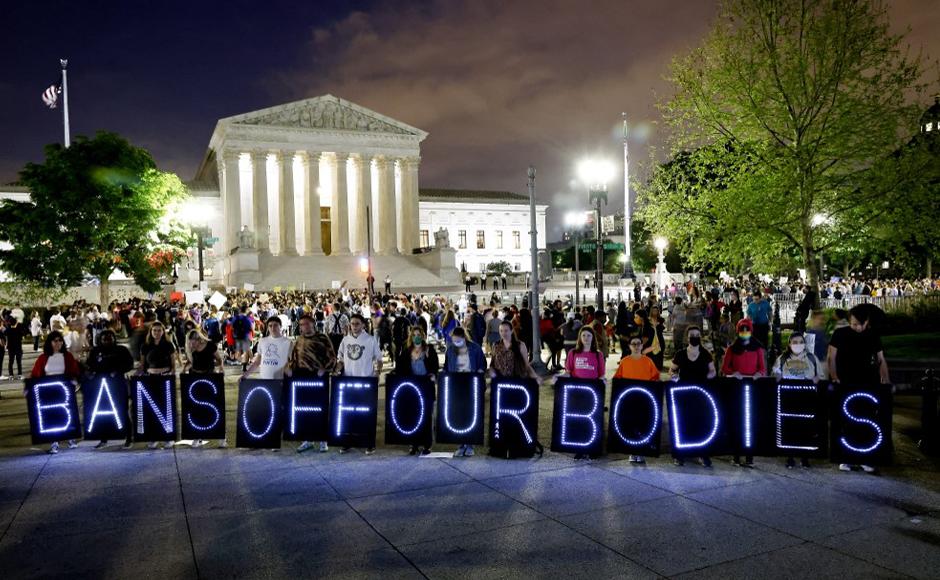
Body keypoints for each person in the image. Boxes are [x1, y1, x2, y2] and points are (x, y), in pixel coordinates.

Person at [828, 305, 890, 474]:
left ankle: (865, 458)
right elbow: (831, 356)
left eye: (859, 324)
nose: (856, 327)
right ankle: (846, 457)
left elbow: (880, 359)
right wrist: (834, 376)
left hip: (868, 382)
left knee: (866, 420)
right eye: (853, 323)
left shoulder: (872, 335)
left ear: (866, 322)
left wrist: (885, 380)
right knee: (845, 421)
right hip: (845, 382)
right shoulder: (840, 334)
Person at [772, 332, 825, 469]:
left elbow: (820, 375)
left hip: (807, 398)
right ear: (789, 344)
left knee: (805, 428)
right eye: (794, 342)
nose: (797, 345)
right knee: (789, 427)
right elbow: (776, 376)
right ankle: (790, 457)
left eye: (800, 342)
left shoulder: (812, 358)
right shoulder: (782, 359)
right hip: (788, 399)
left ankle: (804, 457)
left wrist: (816, 380)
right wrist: (777, 375)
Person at [721, 318, 767, 468]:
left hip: (752, 389)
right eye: (742, 330)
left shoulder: (758, 348)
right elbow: (725, 368)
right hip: (736, 388)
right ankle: (735, 454)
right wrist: (734, 373)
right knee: (736, 420)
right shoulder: (732, 348)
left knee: (751, 421)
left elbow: (762, 368)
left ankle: (749, 456)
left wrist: (759, 374)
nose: (745, 333)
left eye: (747, 330)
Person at [670, 326, 717, 467]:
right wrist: (674, 376)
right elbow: (672, 370)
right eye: (692, 335)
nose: (694, 337)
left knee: (701, 424)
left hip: (701, 395)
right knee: (682, 423)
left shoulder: (705, 354)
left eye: (697, 335)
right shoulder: (680, 354)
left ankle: (702, 454)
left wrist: (706, 379)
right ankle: (680, 454)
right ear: (687, 337)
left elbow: (713, 371)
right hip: (684, 394)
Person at [336, 313, 383, 454]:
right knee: (348, 414)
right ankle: (348, 441)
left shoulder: (370, 340)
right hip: (349, 382)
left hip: (365, 382)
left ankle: (369, 442)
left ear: (363, 325)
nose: (354, 326)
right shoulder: (345, 340)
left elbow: (379, 359)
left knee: (366, 415)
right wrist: (337, 369)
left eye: (357, 324)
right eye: (352, 324)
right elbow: (341, 359)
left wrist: (377, 372)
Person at [291, 314, 338, 454]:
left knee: (321, 409)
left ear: (313, 324)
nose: (303, 327)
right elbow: (294, 358)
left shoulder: (323, 338)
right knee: (305, 409)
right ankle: (308, 439)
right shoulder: (298, 340)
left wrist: (324, 368)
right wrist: (290, 369)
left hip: (319, 377)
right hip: (302, 377)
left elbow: (332, 357)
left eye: (306, 324)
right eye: (301, 324)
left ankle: (323, 439)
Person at [28, 331, 81, 454]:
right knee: (52, 417)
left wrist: (74, 380)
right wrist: (28, 387)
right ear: (50, 342)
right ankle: (54, 442)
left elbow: (74, 371)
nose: (58, 343)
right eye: (55, 340)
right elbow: (36, 374)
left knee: (68, 414)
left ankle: (70, 437)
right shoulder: (43, 357)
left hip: (64, 391)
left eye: (60, 340)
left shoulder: (67, 356)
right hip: (49, 391)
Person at [558, 326, 606, 460]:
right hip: (576, 392)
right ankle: (579, 448)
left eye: (589, 336)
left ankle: (591, 448)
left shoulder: (598, 354)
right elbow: (568, 372)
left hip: (592, 393)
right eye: (583, 335)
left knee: (592, 422)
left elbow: (601, 374)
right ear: (580, 338)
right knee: (577, 420)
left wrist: (603, 382)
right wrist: (559, 378)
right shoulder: (573, 353)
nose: (586, 338)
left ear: (593, 338)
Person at [613, 337, 662, 463]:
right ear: (629, 346)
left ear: (642, 346)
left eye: (638, 344)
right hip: (628, 400)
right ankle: (632, 451)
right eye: (633, 344)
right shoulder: (624, 361)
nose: (636, 346)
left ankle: (640, 451)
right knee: (630, 424)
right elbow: (617, 379)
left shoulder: (648, 361)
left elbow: (655, 378)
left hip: (643, 399)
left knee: (642, 425)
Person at [86, 329, 136, 449]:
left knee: (122, 411)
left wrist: (118, 371)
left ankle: (129, 438)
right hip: (101, 386)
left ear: (114, 338)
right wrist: (90, 373)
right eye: (105, 339)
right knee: (103, 413)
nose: (108, 341)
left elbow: (130, 364)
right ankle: (104, 439)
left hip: (118, 385)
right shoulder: (95, 351)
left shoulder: (121, 350)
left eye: (110, 338)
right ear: (100, 340)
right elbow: (90, 365)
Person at [394, 325, 440, 455]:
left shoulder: (429, 350)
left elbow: (435, 366)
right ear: (411, 337)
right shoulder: (407, 351)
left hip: (426, 387)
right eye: (414, 335)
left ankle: (426, 444)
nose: (416, 337)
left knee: (426, 416)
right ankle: (413, 443)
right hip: (412, 388)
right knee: (413, 415)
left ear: (423, 336)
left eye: (419, 335)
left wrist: (433, 374)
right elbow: (401, 368)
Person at [444, 327, 487, 457]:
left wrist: (480, 372)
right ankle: (461, 444)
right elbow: (447, 366)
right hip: (457, 385)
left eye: (458, 340)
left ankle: (470, 444)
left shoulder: (474, 348)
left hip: (471, 384)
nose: (455, 342)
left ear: (464, 338)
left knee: (471, 415)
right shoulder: (450, 350)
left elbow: (482, 364)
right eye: (454, 340)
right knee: (459, 416)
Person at [183, 328, 227, 449]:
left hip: (210, 377)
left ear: (200, 339)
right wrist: (184, 369)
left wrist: (220, 368)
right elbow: (191, 362)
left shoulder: (210, 346)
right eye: (191, 341)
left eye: (195, 340)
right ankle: (198, 436)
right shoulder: (190, 349)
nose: (193, 343)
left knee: (215, 408)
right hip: (195, 378)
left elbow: (219, 359)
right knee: (197, 409)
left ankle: (221, 437)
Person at [138, 321, 177, 450]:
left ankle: (168, 437)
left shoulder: (168, 345)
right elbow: (142, 364)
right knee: (151, 409)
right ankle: (153, 437)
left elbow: (173, 363)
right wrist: (140, 375)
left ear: (163, 331)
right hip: (150, 379)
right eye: (154, 330)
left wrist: (171, 374)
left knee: (166, 408)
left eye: (159, 330)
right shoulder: (145, 346)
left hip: (164, 378)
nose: (157, 333)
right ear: (151, 332)